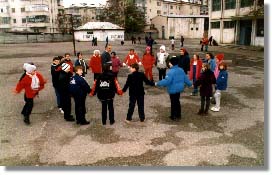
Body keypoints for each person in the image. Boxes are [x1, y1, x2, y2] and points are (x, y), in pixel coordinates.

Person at [156, 56, 192, 121]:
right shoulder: (181, 69)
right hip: (179, 89)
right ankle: (178, 115)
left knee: (173, 102)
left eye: (169, 62)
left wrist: (158, 83)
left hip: (172, 89)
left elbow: (167, 81)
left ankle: (173, 116)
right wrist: (190, 84)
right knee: (177, 101)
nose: (169, 64)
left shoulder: (171, 71)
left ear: (172, 63)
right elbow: (186, 79)